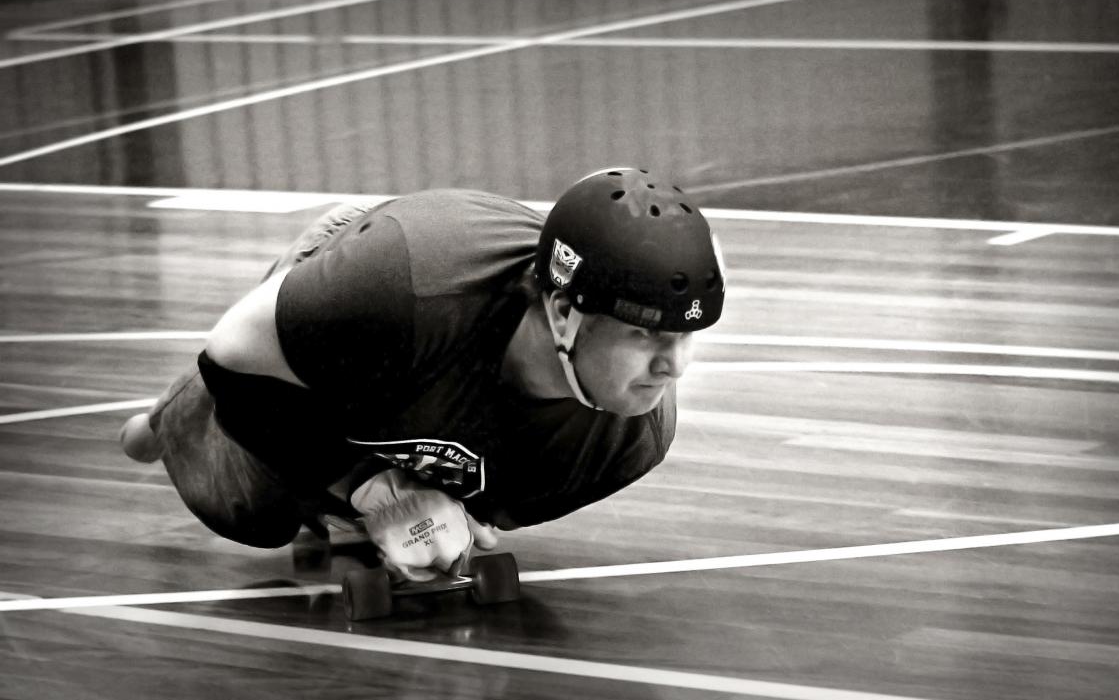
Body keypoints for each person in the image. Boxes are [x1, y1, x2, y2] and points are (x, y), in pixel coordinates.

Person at [120, 168, 726, 582]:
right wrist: (364, 486)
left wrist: (438, 519)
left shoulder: (628, 443)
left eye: (686, 336)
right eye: (646, 335)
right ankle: (172, 418)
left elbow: (481, 506)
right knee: (251, 512)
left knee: (379, 523)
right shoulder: (397, 293)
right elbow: (227, 356)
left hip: (407, 372)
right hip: (355, 286)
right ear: (565, 312)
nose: (673, 367)